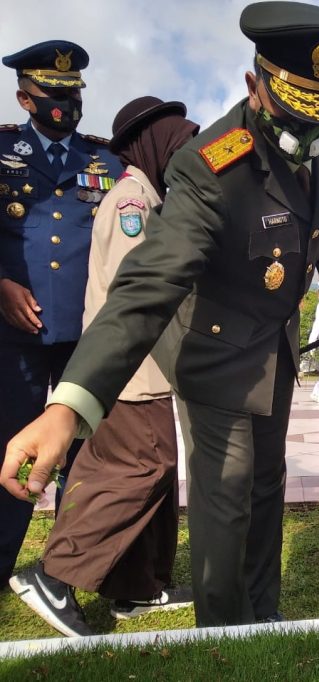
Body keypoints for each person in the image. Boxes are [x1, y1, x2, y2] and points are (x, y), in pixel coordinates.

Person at [0, 1, 319, 629]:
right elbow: (147, 285)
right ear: (255, 87)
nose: (308, 139)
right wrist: (66, 408)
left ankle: (263, 623)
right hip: (215, 347)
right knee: (226, 497)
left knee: (267, 487)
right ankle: (225, 640)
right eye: (296, 119)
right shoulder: (209, 166)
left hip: (277, 345)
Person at [8, 97, 199, 637]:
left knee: (157, 479)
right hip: (131, 371)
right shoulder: (131, 202)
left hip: (150, 369)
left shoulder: (152, 198)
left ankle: (136, 589)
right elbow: (136, 293)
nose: (186, 151)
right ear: (151, 143)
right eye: (177, 141)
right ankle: (52, 575)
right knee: (142, 468)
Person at [0, 41, 122, 590]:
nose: (66, 104)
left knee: (84, 454)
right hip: (12, 334)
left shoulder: (108, 163)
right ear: (25, 98)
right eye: (54, 94)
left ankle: (68, 572)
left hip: (83, 335)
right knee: (10, 444)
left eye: (72, 94)